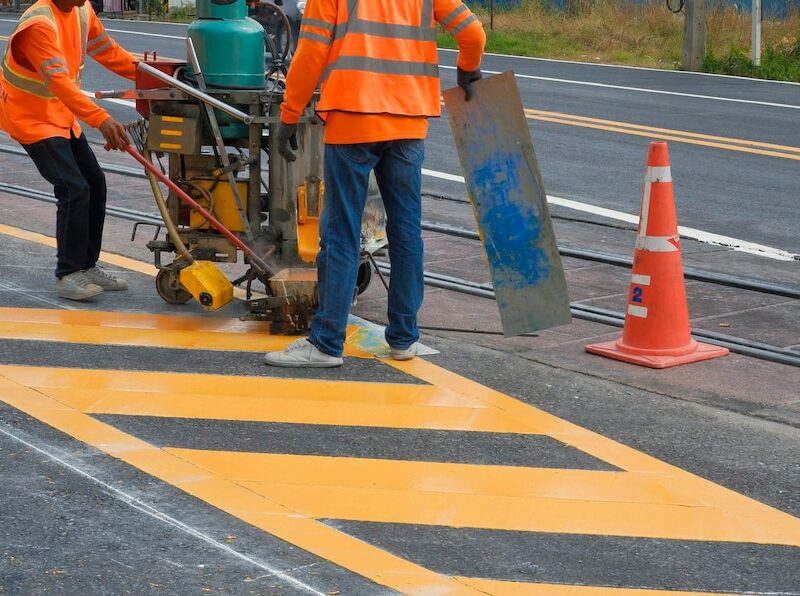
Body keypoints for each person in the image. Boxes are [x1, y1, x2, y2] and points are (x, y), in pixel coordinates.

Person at [264, 0, 485, 368]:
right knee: (406, 234)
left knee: (341, 234)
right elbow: (472, 33)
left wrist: (290, 115)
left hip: (353, 119)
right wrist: (467, 70)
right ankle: (403, 339)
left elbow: (313, 51)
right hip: (409, 120)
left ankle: (327, 343)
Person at [0, 0, 135, 300]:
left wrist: (153, 74)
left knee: (95, 183)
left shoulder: (81, 10)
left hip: (60, 115)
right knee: (73, 187)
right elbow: (60, 82)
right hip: (31, 118)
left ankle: (87, 266)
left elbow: (108, 51)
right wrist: (101, 119)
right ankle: (69, 273)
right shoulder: (38, 25)